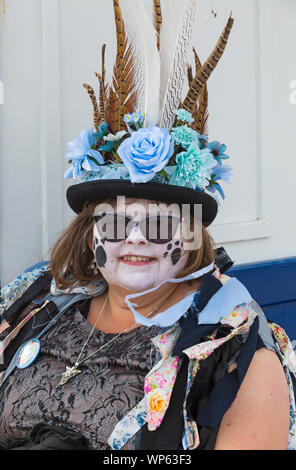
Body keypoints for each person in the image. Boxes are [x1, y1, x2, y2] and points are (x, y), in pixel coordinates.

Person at [0, 0, 295, 451]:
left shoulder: (231, 347)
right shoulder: (38, 300)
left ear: (191, 236)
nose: (135, 238)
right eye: (115, 222)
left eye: (158, 225)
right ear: (90, 232)